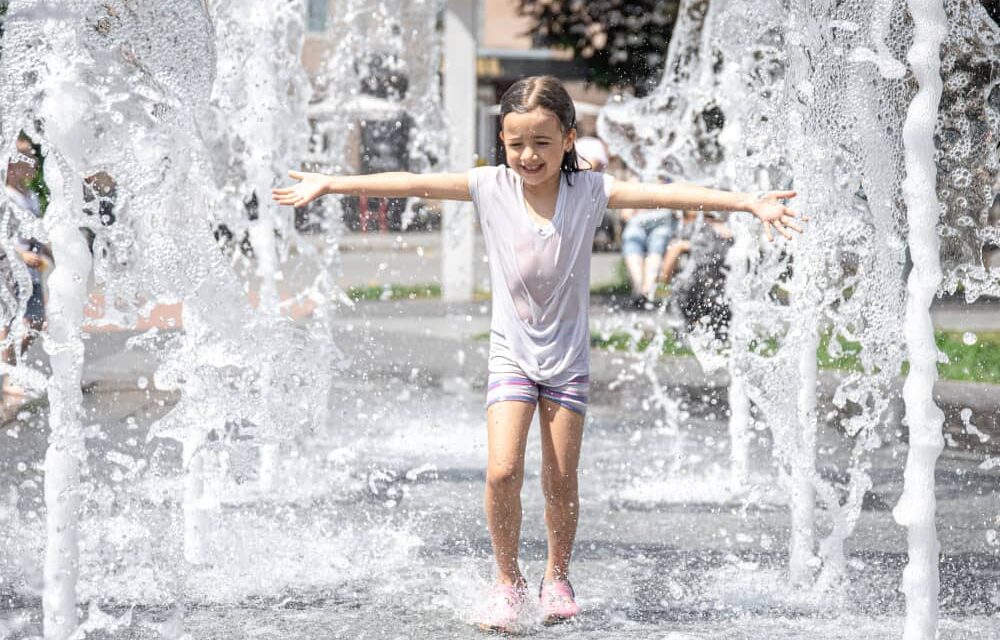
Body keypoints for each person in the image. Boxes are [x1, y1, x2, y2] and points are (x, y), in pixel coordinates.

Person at [272, 75, 803, 632]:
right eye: (516, 142)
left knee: (560, 478)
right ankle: (507, 582)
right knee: (502, 471)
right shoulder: (489, 186)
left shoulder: (590, 191)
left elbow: (666, 194)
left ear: (568, 139)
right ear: (502, 140)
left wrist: (745, 202)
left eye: (543, 143)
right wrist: (332, 183)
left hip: (569, 362)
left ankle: (557, 575)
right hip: (512, 358)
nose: (529, 155)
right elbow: (411, 182)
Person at [2, 134, 52, 398]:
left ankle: (13, 371)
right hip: (11, 272)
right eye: (27, 158)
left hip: (32, 272)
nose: (33, 162)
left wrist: (48, 249)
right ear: (11, 164)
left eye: (33, 157)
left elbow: (36, 231)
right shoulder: (6, 197)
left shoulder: (29, 195)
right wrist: (21, 256)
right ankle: (10, 376)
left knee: (36, 321)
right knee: (10, 325)